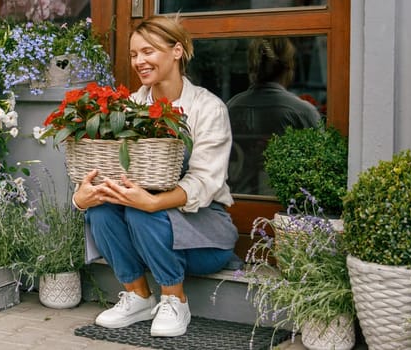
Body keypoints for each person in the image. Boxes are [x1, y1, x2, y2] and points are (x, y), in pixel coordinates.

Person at [72, 15, 238, 337]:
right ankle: (138, 296)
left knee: (141, 210)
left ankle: (175, 300)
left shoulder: (208, 108)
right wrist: (82, 197)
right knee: (103, 209)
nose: (139, 61)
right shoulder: (129, 109)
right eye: (134, 55)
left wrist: (151, 202)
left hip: (203, 238)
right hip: (145, 234)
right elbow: (107, 170)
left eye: (148, 52)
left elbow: (204, 183)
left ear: (177, 51)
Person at [226, 37, 322, 195]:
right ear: (289, 68)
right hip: (288, 204)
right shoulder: (303, 111)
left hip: (239, 199)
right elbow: (321, 166)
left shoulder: (231, 107)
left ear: (251, 68)